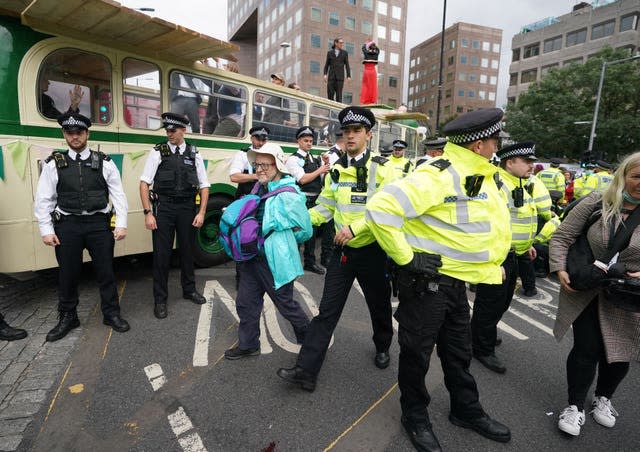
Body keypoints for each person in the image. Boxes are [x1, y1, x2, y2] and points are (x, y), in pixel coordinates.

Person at [365, 108, 512, 451]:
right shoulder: (439, 174)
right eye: (494, 141)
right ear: (478, 145)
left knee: (459, 353)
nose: (497, 147)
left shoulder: (480, 172)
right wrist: (407, 258)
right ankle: (414, 415)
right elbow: (380, 209)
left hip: (455, 284)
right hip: (427, 286)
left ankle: (466, 409)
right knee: (417, 355)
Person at [277, 106, 395, 392]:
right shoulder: (337, 168)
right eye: (347, 131)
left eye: (357, 131)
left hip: (373, 252)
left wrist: (355, 229)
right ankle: (306, 372)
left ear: (369, 134)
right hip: (343, 255)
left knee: (379, 307)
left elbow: (389, 211)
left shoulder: (384, 167)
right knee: (327, 312)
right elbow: (326, 207)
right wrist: (301, 223)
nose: (351, 136)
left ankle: (382, 346)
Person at [550, 152, 640, 437]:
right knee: (586, 349)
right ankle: (575, 406)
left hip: (629, 296)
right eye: (637, 176)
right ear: (623, 176)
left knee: (620, 353)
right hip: (588, 289)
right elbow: (562, 236)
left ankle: (604, 398)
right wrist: (559, 267)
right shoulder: (596, 202)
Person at [34, 112, 129, 341]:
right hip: (68, 225)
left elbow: (118, 194)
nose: (74, 137)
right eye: (70, 133)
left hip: (99, 224)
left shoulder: (104, 162)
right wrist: (46, 230)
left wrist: (122, 224)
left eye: (79, 132)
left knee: (106, 272)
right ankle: (68, 317)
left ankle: (111, 313)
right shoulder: (53, 164)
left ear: (87, 133)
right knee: (68, 274)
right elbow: (44, 199)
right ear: (64, 135)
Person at [224, 143, 312, 359]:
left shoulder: (289, 193)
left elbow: (305, 231)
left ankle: (310, 343)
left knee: (286, 305)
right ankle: (248, 344)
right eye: (256, 164)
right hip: (250, 258)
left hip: (274, 260)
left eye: (265, 164)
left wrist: (282, 240)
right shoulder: (257, 188)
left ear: (278, 166)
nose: (260, 169)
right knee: (246, 303)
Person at [471, 141, 539, 374]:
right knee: (489, 304)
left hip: (515, 254)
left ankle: (482, 333)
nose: (532, 166)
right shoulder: (497, 184)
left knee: (502, 302)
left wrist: (526, 245)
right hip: (498, 256)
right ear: (510, 163)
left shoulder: (519, 183)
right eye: (527, 162)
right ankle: (481, 347)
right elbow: (486, 224)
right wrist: (493, 261)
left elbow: (516, 220)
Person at [139, 112, 209, 319]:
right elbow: (144, 183)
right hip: (165, 209)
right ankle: (160, 299)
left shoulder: (194, 153)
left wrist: (202, 212)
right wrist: (147, 213)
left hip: (187, 208)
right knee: (162, 255)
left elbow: (204, 185)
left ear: (183, 130)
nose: (169, 134)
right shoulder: (158, 152)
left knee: (188, 252)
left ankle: (189, 290)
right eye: (167, 130)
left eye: (173, 130)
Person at [286, 126, 330, 275]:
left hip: (314, 199)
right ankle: (293, 264)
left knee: (311, 233)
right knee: (298, 234)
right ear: (298, 141)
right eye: (306, 141)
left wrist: (324, 165)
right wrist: (320, 169)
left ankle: (310, 262)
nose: (309, 144)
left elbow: (320, 178)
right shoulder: (293, 159)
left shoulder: (313, 158)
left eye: (311, 141)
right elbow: (303, 179)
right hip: (301, 200)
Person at [230, 126, 270, 199]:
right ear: (251, 138)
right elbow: (234, 177)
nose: (261, 143)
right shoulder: (243, 154)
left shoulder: (271, 155)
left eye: (264, 140)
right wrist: (257, 176)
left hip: (265, 198)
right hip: (246, 199)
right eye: (258, 139)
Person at [213, 62, 243, 137]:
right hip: (226, 120)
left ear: (232, 70)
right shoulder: (224, 85)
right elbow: (214, 78)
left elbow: (223, 77)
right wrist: (206, 63)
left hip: (232, 121)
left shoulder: (236, 84)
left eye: (227, 68)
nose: (225, 69)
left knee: (214, 141)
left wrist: (218, 61)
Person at [323, 38, 351, 103]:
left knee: (339, 96)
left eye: (342, 43)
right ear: (336, 43)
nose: (342, 44)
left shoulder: (345, 53)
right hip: (331, 77)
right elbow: (326, 65)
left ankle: (338, 112)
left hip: (340, 78)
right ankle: (330, 111)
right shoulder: (329, 53)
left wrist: (348, 76)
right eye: (340, 43)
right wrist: (325, 75)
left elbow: (347, 65)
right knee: (330, 95)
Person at [360, 39, 379, 105]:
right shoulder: (376, 53)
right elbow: (378, 50)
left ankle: (365, 100)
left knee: (365, 85)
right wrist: (374, 44)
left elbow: (363, 48)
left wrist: (366, 43)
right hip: (373, 71)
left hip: (367, 71)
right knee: (373, 85)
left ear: (369, 47)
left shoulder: (366, 53)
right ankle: (372, 100)